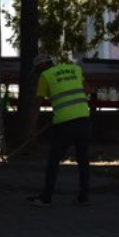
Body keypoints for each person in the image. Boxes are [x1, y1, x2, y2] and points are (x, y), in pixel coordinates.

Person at [27, 53, 91, 207]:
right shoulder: (74, 69)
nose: (37, 74)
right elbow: (88, 89)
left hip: (64, 124)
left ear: (42, 65)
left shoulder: (46, 76)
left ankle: (45, 198)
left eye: (37, 70)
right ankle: (83, 197)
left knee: (53, 161)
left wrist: (32, 128)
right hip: (83, 119)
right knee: (83, 160)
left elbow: (37, 105)